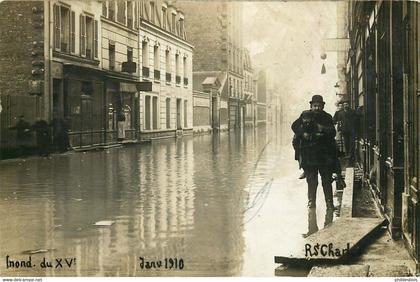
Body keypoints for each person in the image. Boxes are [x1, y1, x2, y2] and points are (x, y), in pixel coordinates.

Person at [292, 95, 336, 237]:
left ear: (323, 106)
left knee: (326, 180)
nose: (317, 108)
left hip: (324, 155)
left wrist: (321, 129)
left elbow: (333, 132)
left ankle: (329, 203)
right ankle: (311, 202)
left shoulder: (327, 117)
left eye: (319, 105)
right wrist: (303, 133)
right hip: (310, 156)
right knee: (312, 181)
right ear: (311, 106)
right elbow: (294, 126)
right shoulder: (305, 115)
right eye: (314, 105)